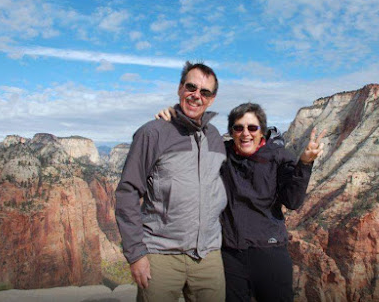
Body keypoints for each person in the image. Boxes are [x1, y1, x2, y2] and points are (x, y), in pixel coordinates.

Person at [157, 102, 325, 301]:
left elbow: (293, 201)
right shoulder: (222, 154)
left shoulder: (278, 157)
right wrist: (172, 125)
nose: (246, 133)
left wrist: (305, 163)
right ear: (231, 132)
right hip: (230, 256)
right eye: (239, 128)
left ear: (261, 131)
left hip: (269, 253)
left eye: (252, 127)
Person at [115, 61, 227, 302]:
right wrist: (135, 255)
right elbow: (127, 193)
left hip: (208, 257)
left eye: (205, 92)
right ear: (179, 88)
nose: (196, 96)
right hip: (160, 257)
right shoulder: (153, 133)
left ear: (212, 99)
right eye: (191, 87)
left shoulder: (216, 138)